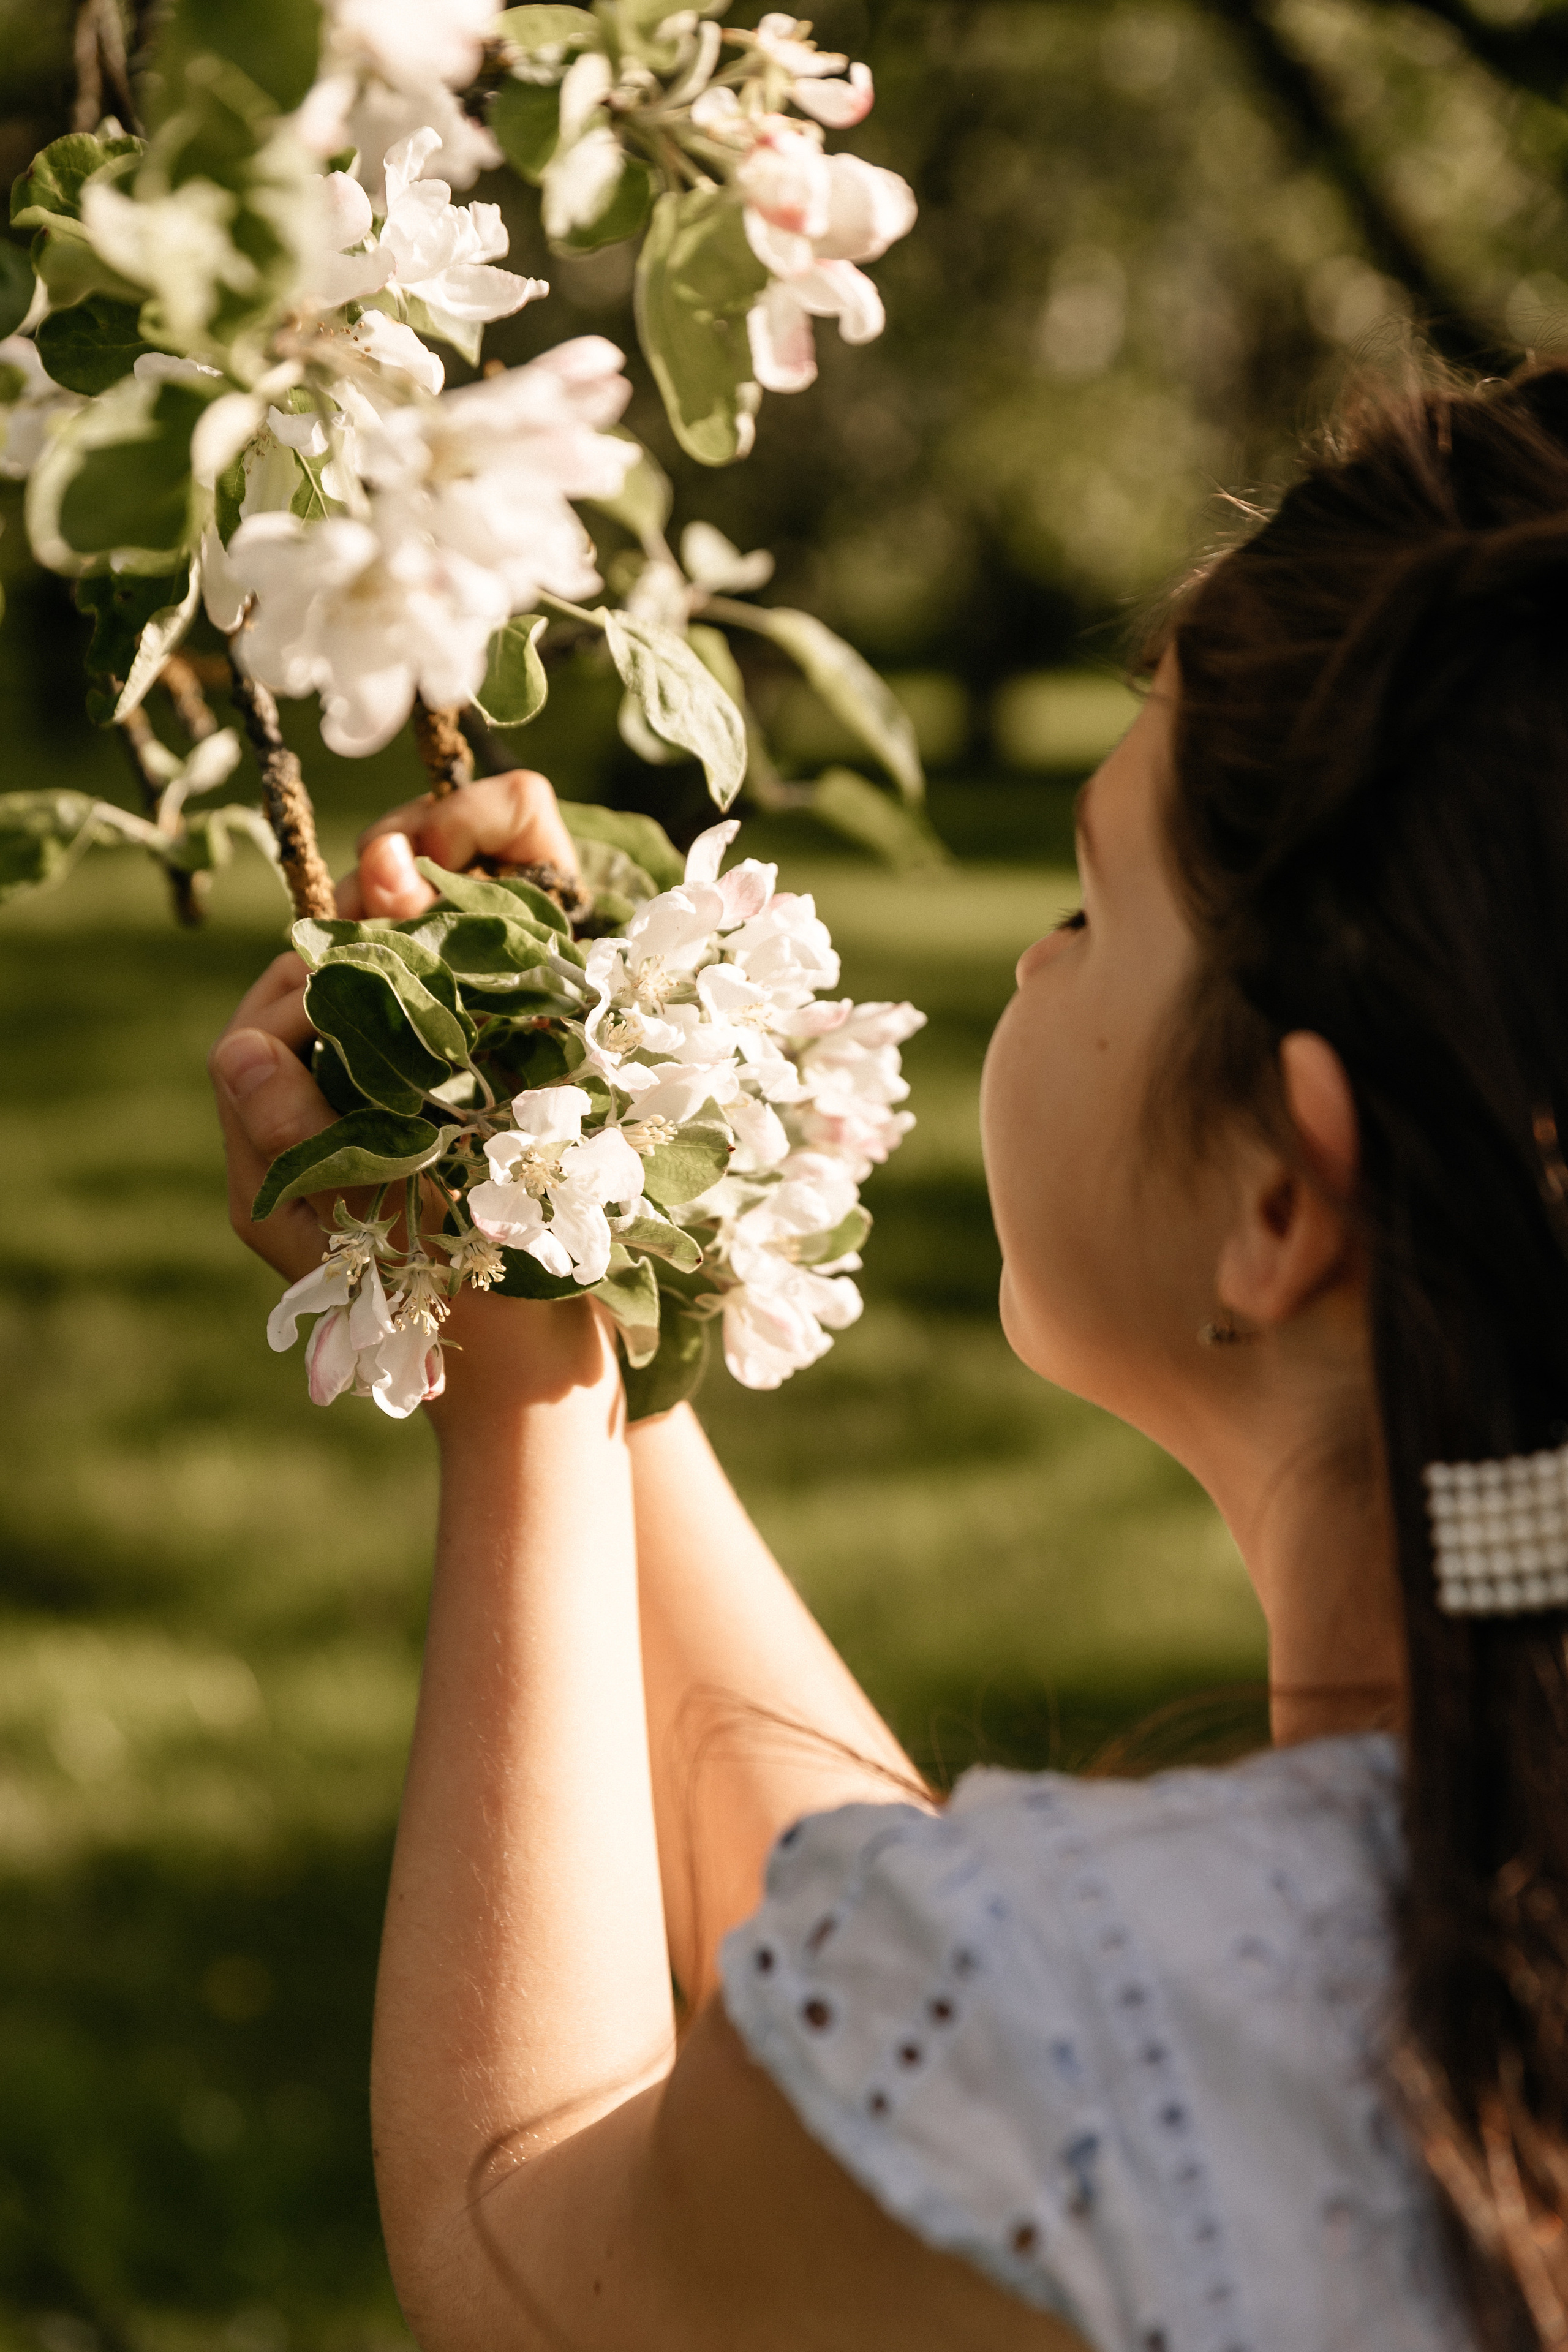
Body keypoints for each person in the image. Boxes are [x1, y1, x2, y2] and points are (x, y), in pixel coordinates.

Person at [205, 356, 1568, 2352]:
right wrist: (560, 1252)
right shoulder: (1110, 2009)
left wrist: (521, 1400)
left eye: (1095, 906)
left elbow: (530, 2247)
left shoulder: (1058, 2018)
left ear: (1286, 1200)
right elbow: (951, 2075)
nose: (1036, 957)